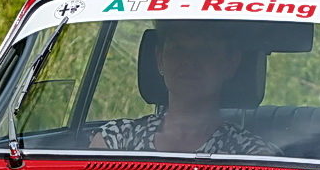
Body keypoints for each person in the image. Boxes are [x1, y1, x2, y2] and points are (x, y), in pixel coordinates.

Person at [91, 21, 279, 155]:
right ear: (160, 59)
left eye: (205, 49)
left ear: (231, 63)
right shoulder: (116, 139)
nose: (189, 61)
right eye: (178, 48)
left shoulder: (251, 154)